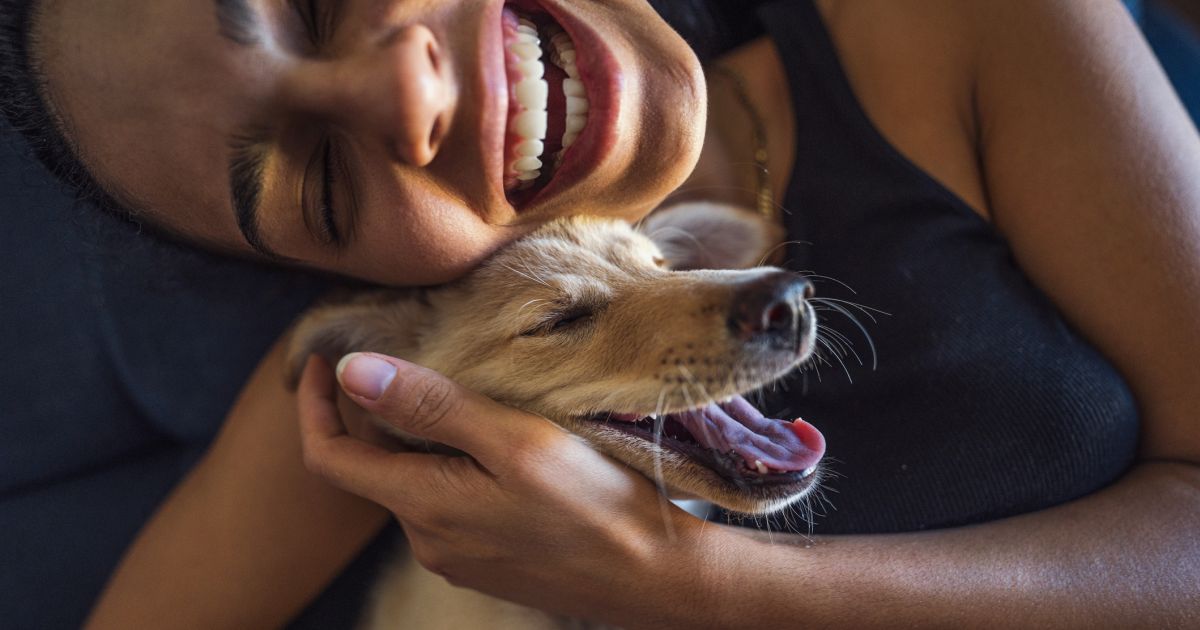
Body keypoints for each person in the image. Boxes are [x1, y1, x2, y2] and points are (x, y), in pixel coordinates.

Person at [1, 0, 1197, 627]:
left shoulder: (958, 25)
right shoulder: (407, 364)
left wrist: (691, 585)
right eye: (320, 180)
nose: (405, 89)